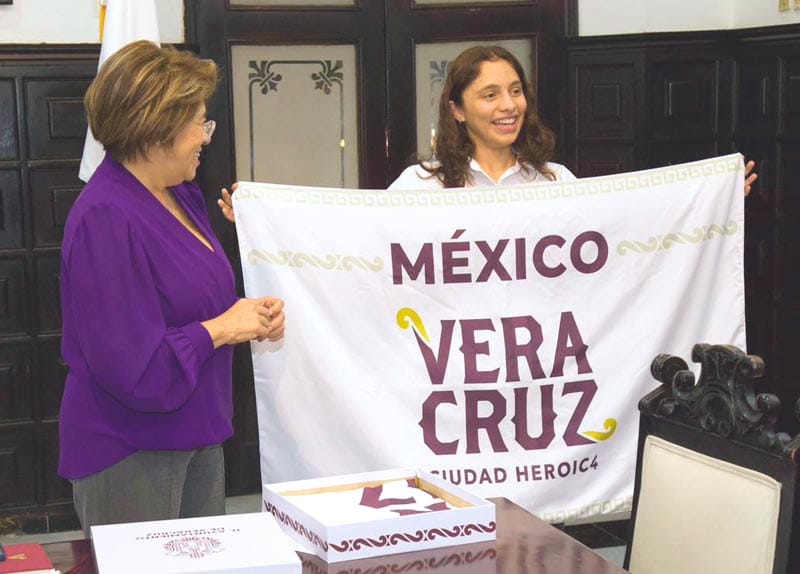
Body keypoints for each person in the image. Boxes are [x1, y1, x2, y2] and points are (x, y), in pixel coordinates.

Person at [59, 40, 285, 537]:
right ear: (156, 128)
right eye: (198, 124)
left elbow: (195, 306)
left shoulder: (181, 194)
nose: (205, 137)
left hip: (197, 433)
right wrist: (223, 329)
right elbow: (131, 370)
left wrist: (248, 315)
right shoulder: (106, 217)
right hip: (130, 449)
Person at [386, 45, 757, 194]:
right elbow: (370, 250)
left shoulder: (556, 181)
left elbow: (624, 234)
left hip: (541, 349)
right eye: (490, 94)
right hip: (454, 351)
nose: (509, 105)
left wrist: (713, 201)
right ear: (457, 110)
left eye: (516, 91)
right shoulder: (421, 186)